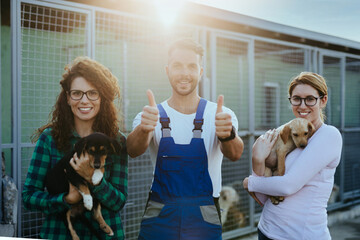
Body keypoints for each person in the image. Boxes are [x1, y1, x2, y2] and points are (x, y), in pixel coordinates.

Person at [127, 38, 244, 240]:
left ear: (200, 71)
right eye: (177, 66)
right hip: (159, 213)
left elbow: (235, 154)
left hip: (204, 215)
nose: (184, 73)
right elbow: (133, 150)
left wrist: (228, 135)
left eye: (191, 66)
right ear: (167, 70)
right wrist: (144, 129)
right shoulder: (150, 114)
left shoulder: (220, 114)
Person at [22, 56, 128, 239]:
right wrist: (66, 200)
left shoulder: (116, 141)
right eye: (77, 93)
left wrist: (94, 180)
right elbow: (29, 196)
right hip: (60, 234)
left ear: (102, 97)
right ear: (68, 98)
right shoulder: (49, 140)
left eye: (92, 93)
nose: (84, 100)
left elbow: (119, 201)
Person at [243, 72, 343, 240]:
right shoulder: (285, 131)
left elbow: (287, 186)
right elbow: (262, 198)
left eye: (310, 99)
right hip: (266, 230)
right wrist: (257, 159)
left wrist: (249, 182)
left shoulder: (328, 136)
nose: (302, 106)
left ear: (323, 100)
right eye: (296, 99)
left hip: (301, 235)